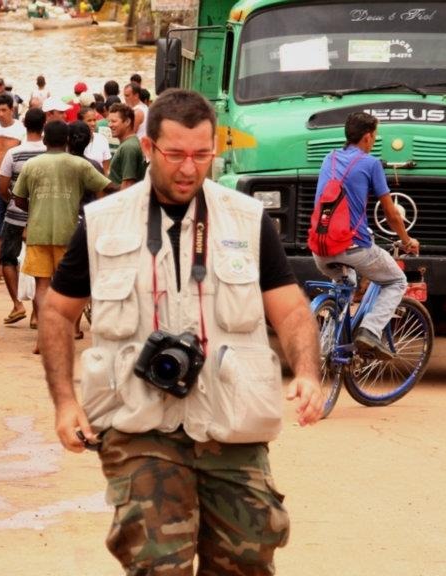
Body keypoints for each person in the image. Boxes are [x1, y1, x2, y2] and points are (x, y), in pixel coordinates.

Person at [38, 89, 322, 573]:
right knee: (158, 564)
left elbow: (291, 309)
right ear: (148, 149)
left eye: (202, 154)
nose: (189, 169)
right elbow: (57, 313)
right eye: (175, 155)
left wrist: (309, 372)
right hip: (138, 424)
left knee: (247, 560)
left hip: (231, 422)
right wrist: (66, 402)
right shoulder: (103, 221)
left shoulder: (248, 221)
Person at [311, 111, 419, 359]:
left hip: (319, 247)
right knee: (396, 281)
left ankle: (326, 349)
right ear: (368, 137)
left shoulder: (330, 158)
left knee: (345, 286)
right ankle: (369, 331)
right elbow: (391, 214)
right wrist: (407, 241)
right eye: (375, 136)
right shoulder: (370, 163)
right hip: (351, 246)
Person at [12, 121, 116, 354]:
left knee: (42, 286)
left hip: (38, 232)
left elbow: (18, 199)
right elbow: (107, 187)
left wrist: (36, 208)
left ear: (45, 140)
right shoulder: (79, 164)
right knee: (69, 288)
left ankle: (42, 339)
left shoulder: (32, 165)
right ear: (67, 141)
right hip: (68, 234)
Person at [0, 108, 47, 328]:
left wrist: (14, 201)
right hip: (44, 217)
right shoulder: (51, 153)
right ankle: (37, 314)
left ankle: (18, 304)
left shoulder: (14, 153)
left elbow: (2, 187)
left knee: (7, 258)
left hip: (16, 215)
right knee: (42, 266)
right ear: (44, 125)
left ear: (25, 125)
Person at [0, 92, 26, 283]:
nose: (0, 113)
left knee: (18, 227)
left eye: (4, 110)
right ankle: (0, 266)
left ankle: (17, 265)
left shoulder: (21, 129)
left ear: (12, 109)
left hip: (16, 182)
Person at [107, 103, 147, 189]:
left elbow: (128, 185)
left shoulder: (128, 147)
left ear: (127, 122)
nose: (109, 125)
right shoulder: (129, 144)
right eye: (109, 121)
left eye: (113, 121)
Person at [80, 106, 111, 174]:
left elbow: (106, 169)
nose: (93, 124)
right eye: (89, 120)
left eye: (94, 120)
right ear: (80, 122)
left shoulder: (102, 139)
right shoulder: (75, 140)